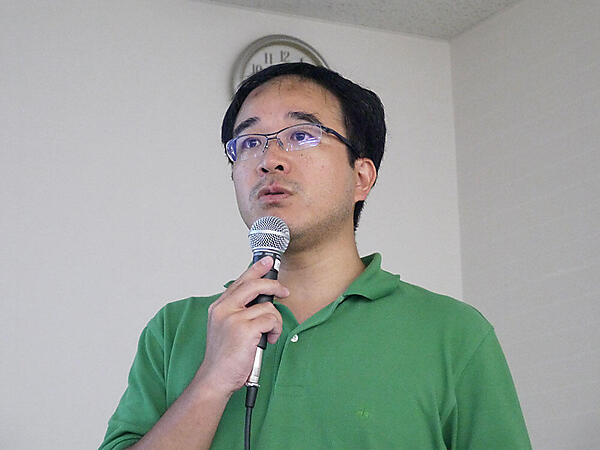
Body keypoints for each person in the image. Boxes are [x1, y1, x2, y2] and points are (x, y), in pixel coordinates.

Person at [100, 63, 531, 449]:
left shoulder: (453, 333)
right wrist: (210, 381)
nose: (269, 160)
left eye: (301, 136)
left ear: (361, 178)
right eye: (249, 142)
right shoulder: (175, 330)